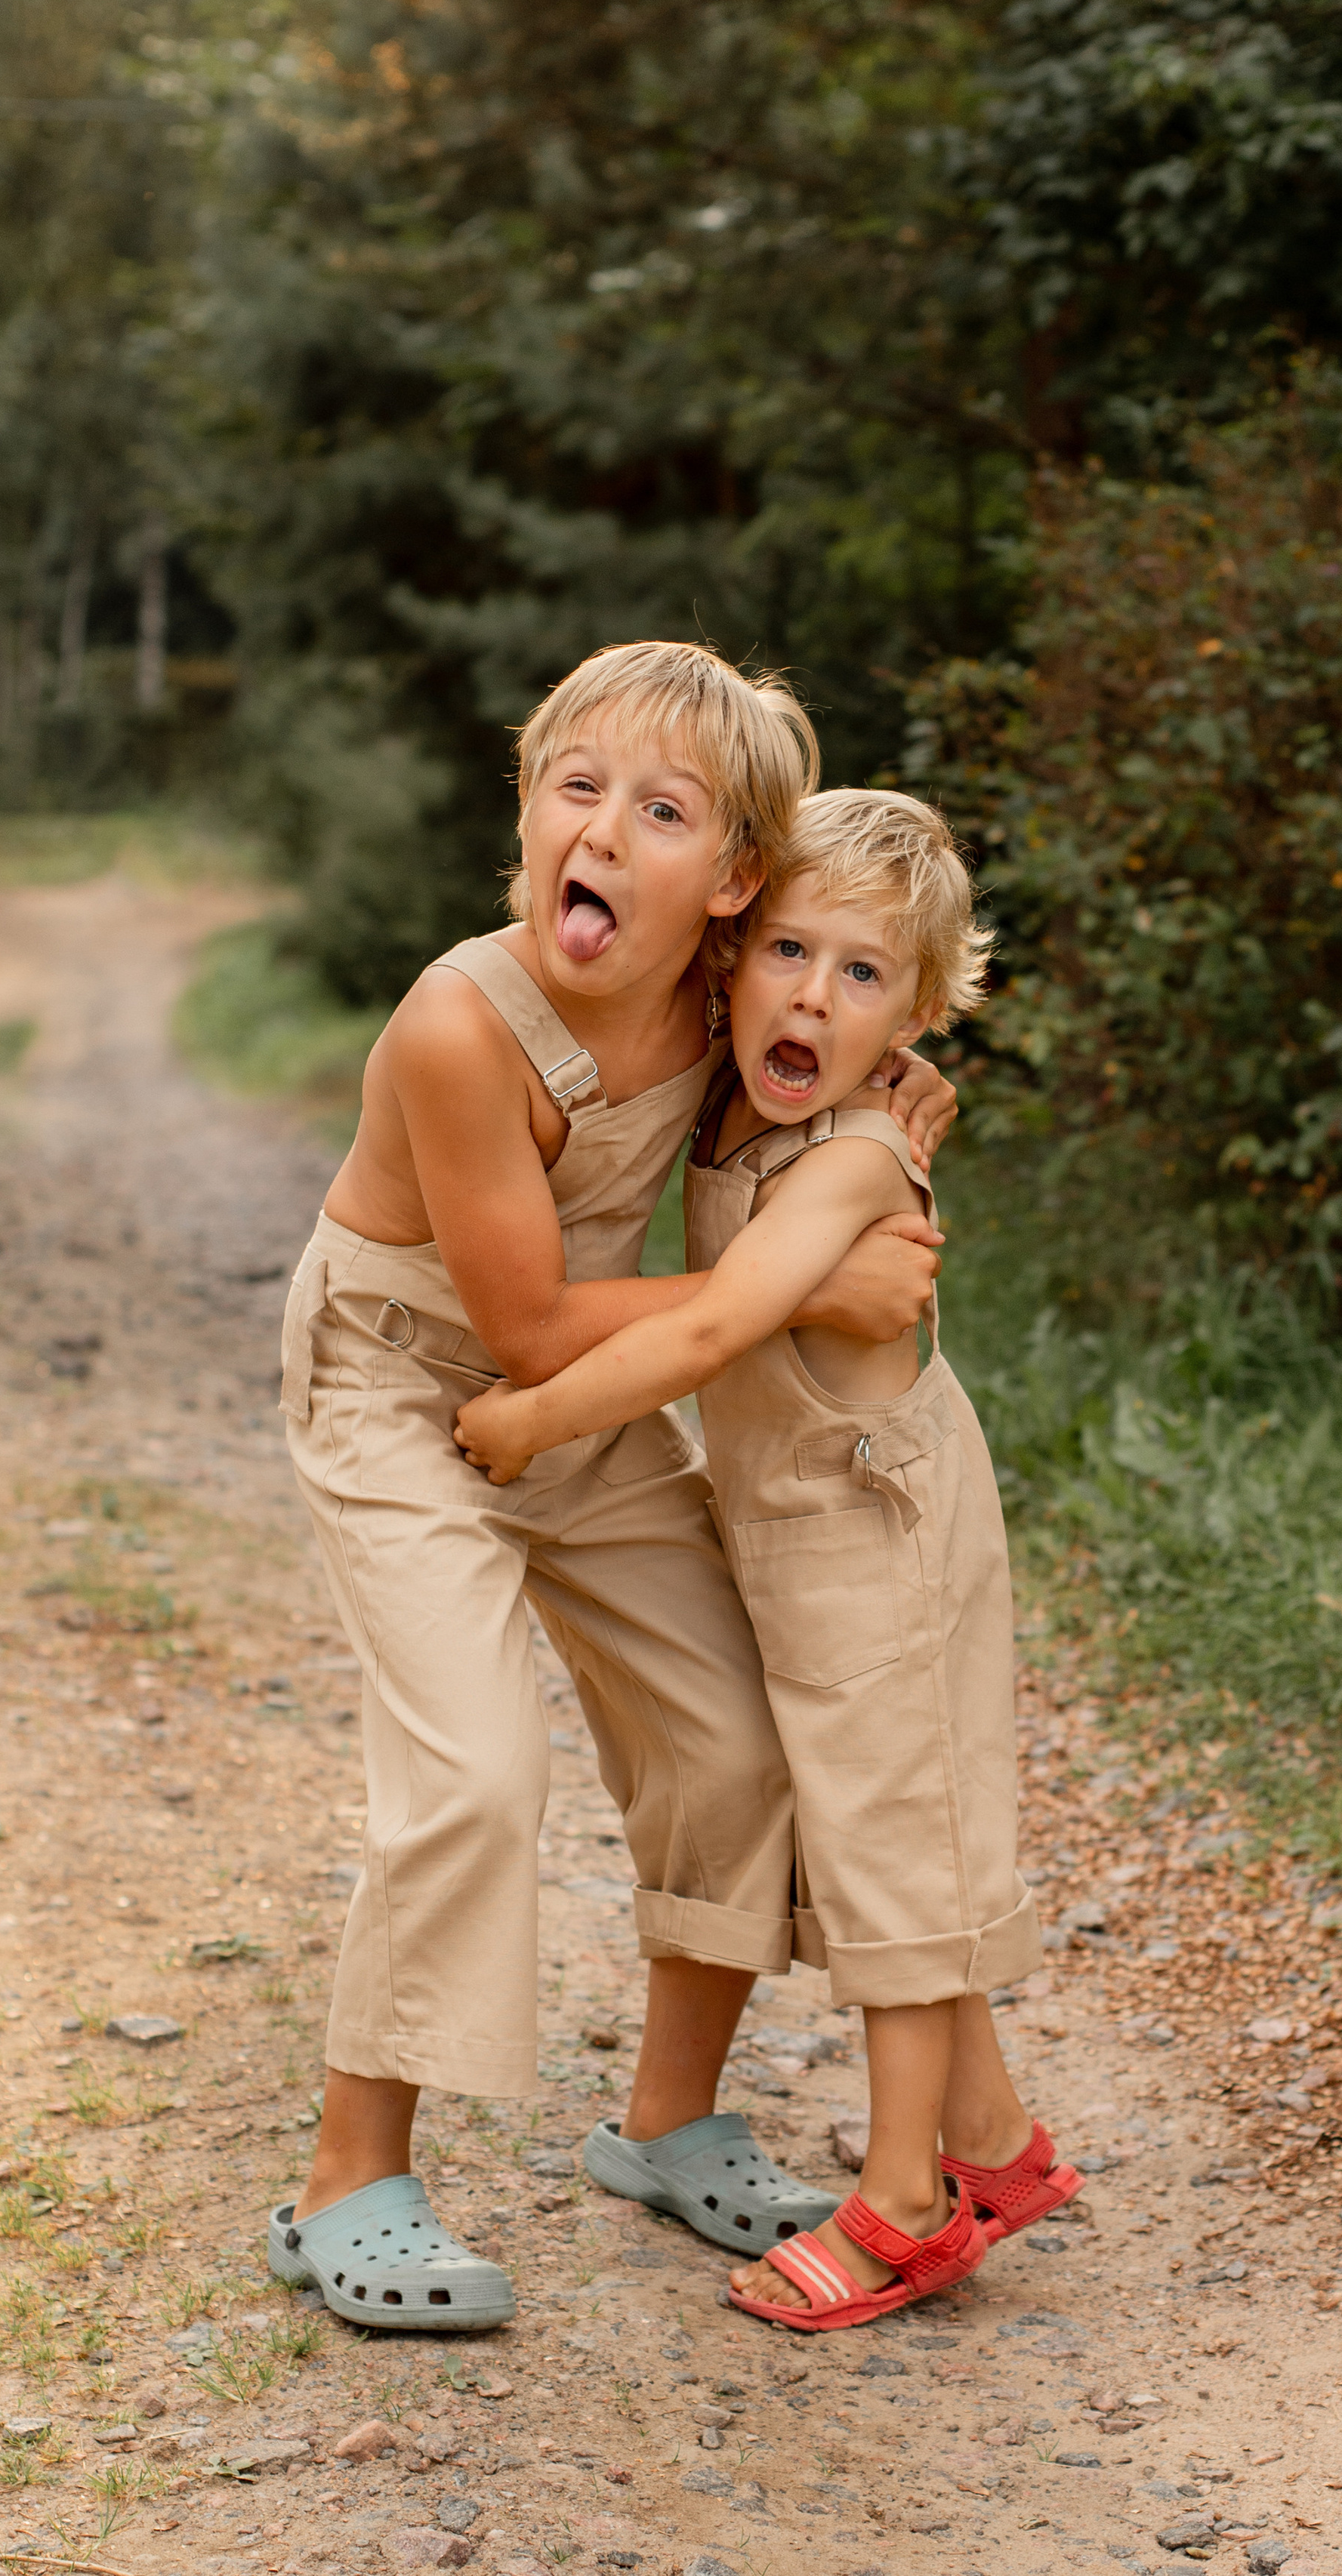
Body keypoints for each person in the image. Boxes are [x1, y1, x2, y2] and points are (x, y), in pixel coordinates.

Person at [268, 644, 958, 2331]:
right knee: (475, 1767)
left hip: (582, 1401)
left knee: (729, 1732)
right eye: (574, 787)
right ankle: (343, 2177)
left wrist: (883, 1097)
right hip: (404, 1381)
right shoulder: (458, 1019)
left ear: (726, 883)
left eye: (659, 810)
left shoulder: (720, 985)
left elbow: (833, 1025)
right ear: (524, 814)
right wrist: (811, 1284)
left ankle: (666, 2119)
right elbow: (514, 1322)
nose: (600, 828)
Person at [455, 787, 1078, 2331]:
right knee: (874, 1836)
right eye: (787, 949)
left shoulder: (855, 1156)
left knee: (887, 1866)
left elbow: (720, 1319)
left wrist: (531, 1415)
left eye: (860, 974)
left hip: (881, 1538)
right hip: (794, 1545)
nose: (810, 992)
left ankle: (901, 2199)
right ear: (729, 954)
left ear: (916, 1009)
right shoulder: (739, 1099)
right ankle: (993, 2141)